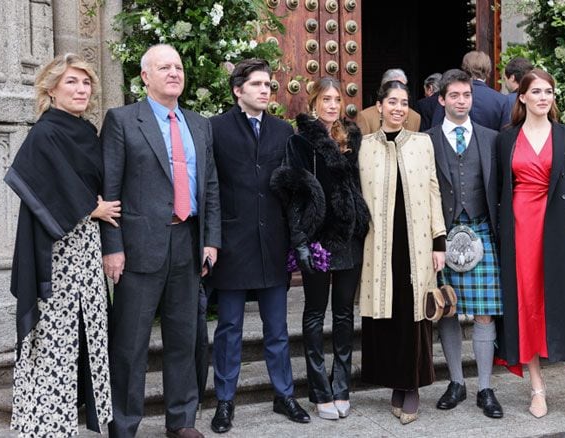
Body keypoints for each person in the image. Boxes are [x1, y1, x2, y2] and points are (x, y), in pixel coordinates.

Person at [101, 44, 221, 438]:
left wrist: (211, 240)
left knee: (185, 338)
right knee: (130, 344)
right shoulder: (121, 120)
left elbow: (211, 186)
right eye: (164, 67)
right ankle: (124, 423)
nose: (174, 72)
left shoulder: (199, 124)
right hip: (137, 249)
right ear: (145, 76)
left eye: (178, 66)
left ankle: (181, 421)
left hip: (187, 243)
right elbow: (110, 187)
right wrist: (112, 246)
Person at [5, 53, 119, 438]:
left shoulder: (85, 131)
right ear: (51, 89)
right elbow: (43, 184)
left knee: (88, 330)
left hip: (85, 248)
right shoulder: (45, 132)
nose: (81, 89)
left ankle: (68, 418)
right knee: (54, 337)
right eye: (71, 82)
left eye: (86, 83)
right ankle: (42, 425)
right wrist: (93, 207)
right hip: (55, 251)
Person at [207, 58, 309, 434]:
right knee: (229, 328)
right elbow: (209, 187)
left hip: (272, 242)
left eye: (269, 84)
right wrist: (211, 241)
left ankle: (284, 395)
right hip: (232, 243)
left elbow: (292, 188)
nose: (265, 90)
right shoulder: (214, 128)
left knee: (277, 328)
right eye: (257, 84)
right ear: (238, 90)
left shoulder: (283, 131)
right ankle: (225, 400)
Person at [495, 69, 565, 421]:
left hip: (556, 228)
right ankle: (537, 388)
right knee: (527, 306)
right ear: (521, 97)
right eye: (536, 91)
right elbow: (499, 191)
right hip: (518, 231)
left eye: (549, 91)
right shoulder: (505, 139)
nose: (543, 97)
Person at [270, 77, 369, 420]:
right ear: (313, 103)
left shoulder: (351, 136)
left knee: (344, 314)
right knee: (315, 313)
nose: (331, 105)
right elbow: (294, 195)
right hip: (317, 241)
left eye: (336, 99)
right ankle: (319, 390)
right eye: (325, 99)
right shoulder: (299, 141)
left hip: (349, 239)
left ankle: (341, 385)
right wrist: (300, 242)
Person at [358, 80, 446, 425]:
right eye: (391, 101)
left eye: (404, 103)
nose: (398, 108)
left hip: (417, 244)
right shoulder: (364, 146)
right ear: (378, 106)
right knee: (388, 315)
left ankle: (411, 386)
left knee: (415, 316)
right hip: (379, 245)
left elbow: (434, 190)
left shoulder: (422, 143)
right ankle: (395, 381)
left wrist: (439, 241)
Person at [427, 69, 503, 419]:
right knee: (448, 309)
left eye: (466, 95)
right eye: (454, 95)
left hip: (482, 231)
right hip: (442, 237)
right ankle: (456, 382)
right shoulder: (424, 140)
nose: (461, 101)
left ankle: (485, 388)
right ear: (441, 99)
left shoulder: (491, 139)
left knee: (485, 313)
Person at [356, 68, 421, 134]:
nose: (399, 108)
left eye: (402, 86)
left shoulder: (415, 118)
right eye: (392, 102)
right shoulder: (366, 117)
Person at [502, 57, 533, 124]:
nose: (505, 83)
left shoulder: (507, 101)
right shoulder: (538, 97)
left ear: (512, 78)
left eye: (505, 79)